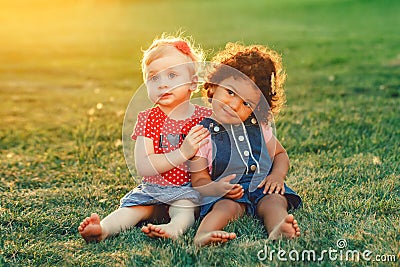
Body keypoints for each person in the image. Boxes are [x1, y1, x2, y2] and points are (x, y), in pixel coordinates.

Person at [78, 34, 212, 242]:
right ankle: (103, 229)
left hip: (186, 190)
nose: (162, 84)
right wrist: (183, 152)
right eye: (153, 77)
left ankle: (173, 229)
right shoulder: (148, 119)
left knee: (184, 209)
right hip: (152, 189)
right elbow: (144, 166)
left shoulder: (204, 117)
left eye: (172, 75)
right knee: (132, 210)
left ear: (193, 83)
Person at [190, 43, 302, 246]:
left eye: (246, 103)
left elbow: (280, 155)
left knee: (275, 200)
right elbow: (198, 180)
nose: (234, 105)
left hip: (261, 186)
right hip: (228, 193)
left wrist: (276, 176)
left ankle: (278, 228)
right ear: (214, 85)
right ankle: (204, 234)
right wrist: (218, 189)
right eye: (231, 93)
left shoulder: (260, 128)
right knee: (225, 208)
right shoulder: (202, 134)